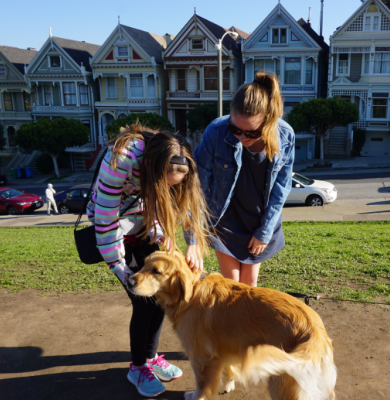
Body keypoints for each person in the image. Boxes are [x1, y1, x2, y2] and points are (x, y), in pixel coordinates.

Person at [87, 125, 209, 398]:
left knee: (160, 296)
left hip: (144, 225)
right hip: (115, 229)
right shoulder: (121, 159)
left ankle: (151, 357)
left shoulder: (174, 158)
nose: (169, 187)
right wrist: (120, 268)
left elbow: (170, 204)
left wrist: (182, 241)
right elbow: (105, 221)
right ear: (153, 167)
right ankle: (138, 367)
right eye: (166, 181)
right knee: (143, 300)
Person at [194, 72, 294, 287]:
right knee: (232, 285)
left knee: (250, 285)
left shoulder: (285, 136)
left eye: (251, 132)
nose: (241, 137)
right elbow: (197, 187)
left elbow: (281, 189)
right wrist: (194, 240)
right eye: (235, 129)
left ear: (267, 122)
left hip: (258, 222)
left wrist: (264, 232)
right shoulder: (216, 131)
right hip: (224, 219)